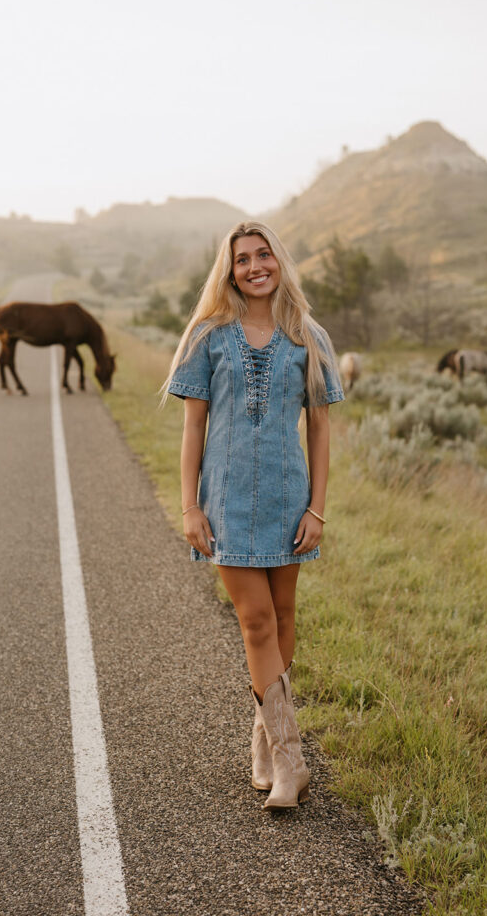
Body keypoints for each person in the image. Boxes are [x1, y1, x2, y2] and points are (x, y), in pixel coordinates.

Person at [162, 220, 344, 810]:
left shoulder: (309, 336)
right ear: (230, 270)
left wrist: (318, 506)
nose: (255, 266)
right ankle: (292, 764)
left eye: (263, 255)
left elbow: (319, 430)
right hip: (228, 502)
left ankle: (264, 740)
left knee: (285, 616)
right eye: (242, 259)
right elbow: (194, 427)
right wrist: (190, 504)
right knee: (258, 622)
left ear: (279, 261)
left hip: (291, 500)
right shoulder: (209, 337)